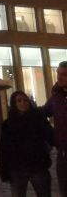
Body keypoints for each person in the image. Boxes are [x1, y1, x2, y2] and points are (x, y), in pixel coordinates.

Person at [1, 90, 53, 197]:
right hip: (17, 168)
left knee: (44, 193)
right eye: (19, 101)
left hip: (38, 166)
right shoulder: (8, 124)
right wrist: (4, 171)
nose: (23, 103)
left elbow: (50, 136)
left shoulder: (38, 119)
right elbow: (4, 149)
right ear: (14, 104)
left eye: (25, 100)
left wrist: (46, 151)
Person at [43, 61, 67, 196]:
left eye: (64, 74)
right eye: (58, 73)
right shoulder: (56, 97)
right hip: (63, 153)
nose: (59, 77)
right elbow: (43, 113)